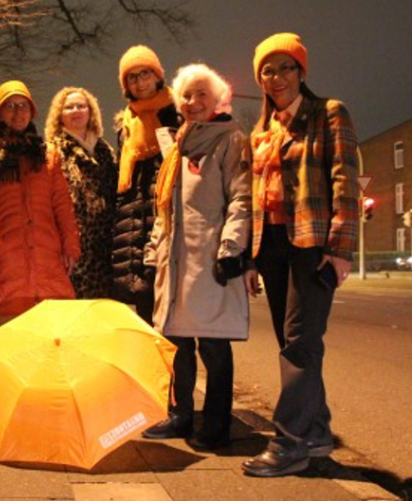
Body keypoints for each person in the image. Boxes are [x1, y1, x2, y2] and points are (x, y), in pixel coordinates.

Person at [241, 33, 360, 477]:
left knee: (299, 343)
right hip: (271, 245)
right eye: (268, 71)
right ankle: (316, 431)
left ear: (301, 71)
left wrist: (340, 248)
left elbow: (345, 179)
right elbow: (255, 198)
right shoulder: (262, 131)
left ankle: (290, 441)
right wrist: (251, 259)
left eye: (285, 67)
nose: (277, 78)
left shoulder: (328, 113)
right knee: (295, 344)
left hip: (311, 243)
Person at [141, 64, 251, 450]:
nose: (193, 102)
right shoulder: (177, 145)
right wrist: (155, 250)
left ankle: (217, 424)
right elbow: (165, 206)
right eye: (186, 95)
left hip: (209, 258)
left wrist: (231, 248)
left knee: (214, 342)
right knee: (177, 342)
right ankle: (180, 415)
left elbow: (241, 196)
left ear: (217, 98)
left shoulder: (230, 139)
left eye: (202, 94)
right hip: (175, 260)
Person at [0, 80, 80, 328]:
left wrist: (71, 247)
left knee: (49, 348)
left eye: (23, 105)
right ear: (0, 113)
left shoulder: (48, 156)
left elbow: (62, 204)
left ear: (32, 111)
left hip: (47, 262)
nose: (18, 111)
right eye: (10, 105)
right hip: (5, 266)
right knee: (11, 350)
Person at [112, 45, 180, 324]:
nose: (139, 82)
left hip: (169, 224)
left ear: (158, 75)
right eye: (132, 77)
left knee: (175, 320)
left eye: (145, 73)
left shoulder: (177, 114)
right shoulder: (125, 126)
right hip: (136, 231)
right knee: (145, 315)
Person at [45, 87, 117, 298]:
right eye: (69, 107)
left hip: (104, 248)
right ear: (60, 115)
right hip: (71, 247)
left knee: (101, 313)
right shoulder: (52, 151)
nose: (76, 111)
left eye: (81, 106)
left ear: (90, 112)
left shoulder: (105, 151)